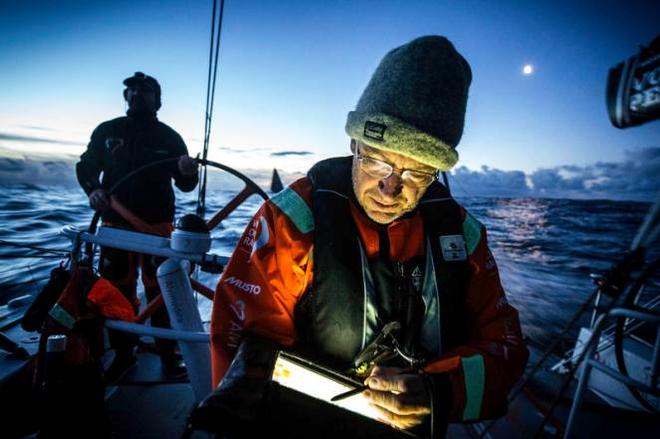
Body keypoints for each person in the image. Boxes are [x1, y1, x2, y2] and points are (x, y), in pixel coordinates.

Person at [210, 36, 528, 436]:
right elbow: (241, 342)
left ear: (437, 173)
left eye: (417, 173)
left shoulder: (463, 238)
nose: (391, 189)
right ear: (354, 142)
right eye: (377, 162)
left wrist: (440, 393)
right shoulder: (292, 222)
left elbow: (506, 347)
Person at [76, 72, 199, 381]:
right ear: (125, 97)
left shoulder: (170, 138)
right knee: (116, 291)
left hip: (158, 227)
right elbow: (86, 166)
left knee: (163, 291)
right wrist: (93, 190)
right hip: (115, 224)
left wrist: (189, 172)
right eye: (131, 90)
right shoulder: (107, 131)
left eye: (144, 90)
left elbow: (186, 185)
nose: (136, 94)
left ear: (158, 100)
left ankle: (170, 358)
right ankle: (123, 355)